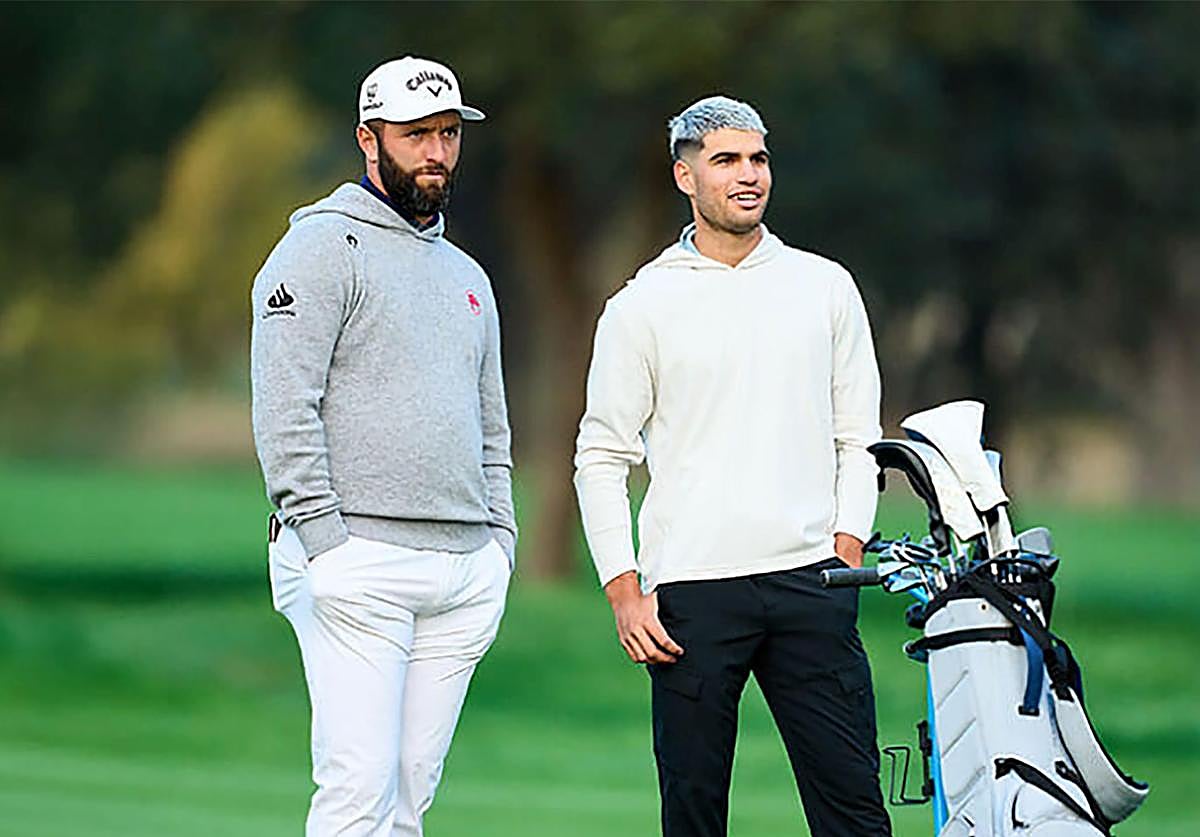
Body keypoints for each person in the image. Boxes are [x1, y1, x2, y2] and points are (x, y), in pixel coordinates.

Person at [573, 96, 891, 836]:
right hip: (691, 596)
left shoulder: (824, 286)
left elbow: (857, 435)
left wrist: (846, 545)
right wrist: (624, 587)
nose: (748, 176)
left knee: (855, 813)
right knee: (693, 814)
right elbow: (601, 454)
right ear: (685, 175)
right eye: (726, 160)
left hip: (812, 581)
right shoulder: (642, 304)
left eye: (758, 158)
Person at [250, 56, 515, 837]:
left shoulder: (467, 274)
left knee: (408, 800)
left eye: (446, 133)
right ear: (369, 140)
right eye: (415, 135)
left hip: (464, 568)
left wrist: (500, 541)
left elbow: (492, 425)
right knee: (356, 793)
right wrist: (323, 540)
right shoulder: (320, 250)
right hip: (354, 556)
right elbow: (283, 407)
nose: (435, 151)